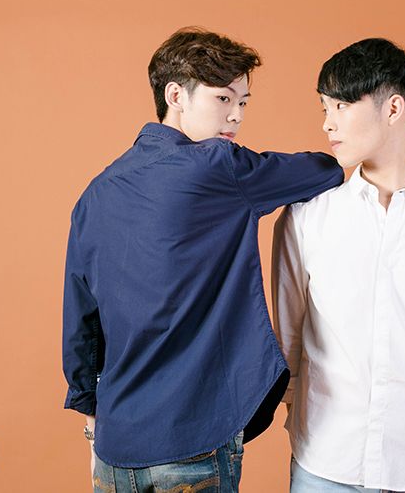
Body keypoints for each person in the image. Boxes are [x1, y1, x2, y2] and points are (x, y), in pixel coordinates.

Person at [62, 27, 343, 493]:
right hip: (191, 438)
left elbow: (81, 318)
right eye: (223, 98)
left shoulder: (95, 193)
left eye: (244, 102)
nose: (236, 115)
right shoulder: (219, 166)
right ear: (176, 95)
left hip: (113, 446)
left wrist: (91, 413)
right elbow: (323, 169)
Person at [272, 37, 405, 492]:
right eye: (324, 108)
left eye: (341, 106)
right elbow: (289, 337)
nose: (327, 123)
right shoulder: (307, 216)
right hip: (326, 462)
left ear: (393, 108)